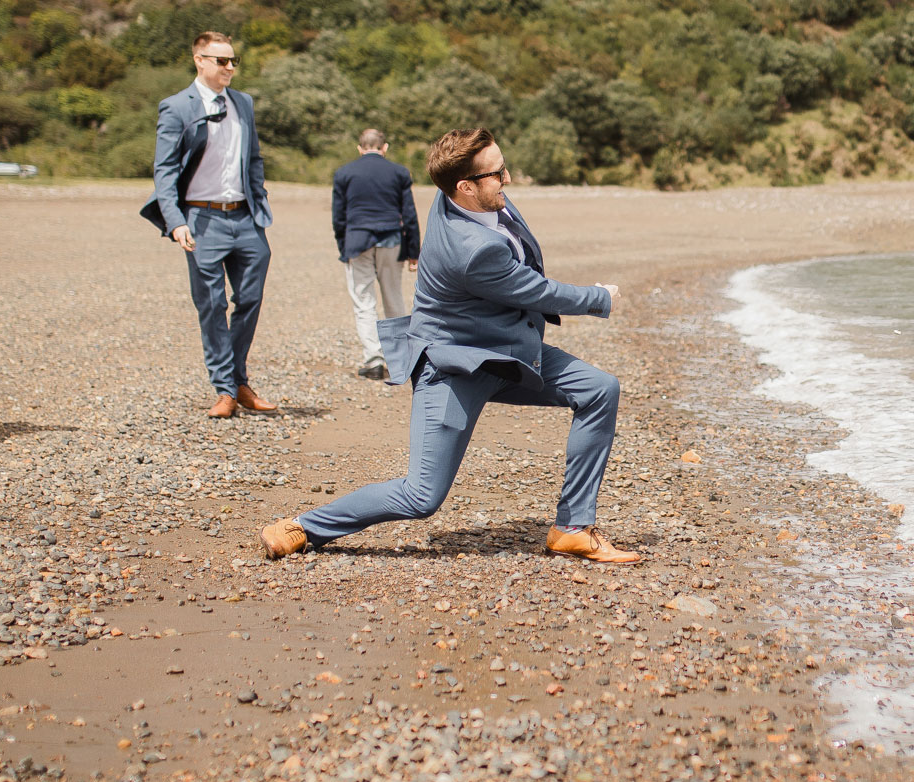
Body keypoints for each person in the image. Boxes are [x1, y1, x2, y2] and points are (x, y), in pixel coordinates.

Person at [261, 127, 639, 564]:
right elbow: (538, 291)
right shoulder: (472, 249)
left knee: (598, 388)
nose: (509, 179)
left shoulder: (465, 196)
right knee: (421, 496)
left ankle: (572, 527)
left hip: (504, 353)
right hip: (455, 366)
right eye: (498, 173)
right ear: (466, 186)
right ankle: (302, 526)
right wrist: (599, 296)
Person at [140, 32, 278, 419]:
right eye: (222, 61)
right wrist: (175, 221)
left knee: (249, 300)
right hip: (201, 218)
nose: (230, 68)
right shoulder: (176, 106)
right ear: (200, 61)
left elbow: (253, 158)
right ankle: (227, 388)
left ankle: (235, 381)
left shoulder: (244, 103)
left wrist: (258, 195)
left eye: (234, 61)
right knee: (212, 305)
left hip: (246, 217)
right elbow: (164, 169)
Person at [332, 128, 421, 381]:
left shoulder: (344, 173)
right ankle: (401, 359)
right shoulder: (399, 172)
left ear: (360, 148)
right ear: (385, 148)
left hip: (357, 240)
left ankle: (373, 360)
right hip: (391, 239)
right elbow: (409, 214)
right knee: (394, 298)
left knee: (363, 301)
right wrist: (413, 251)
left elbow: (338, 217)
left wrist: (343, 247)